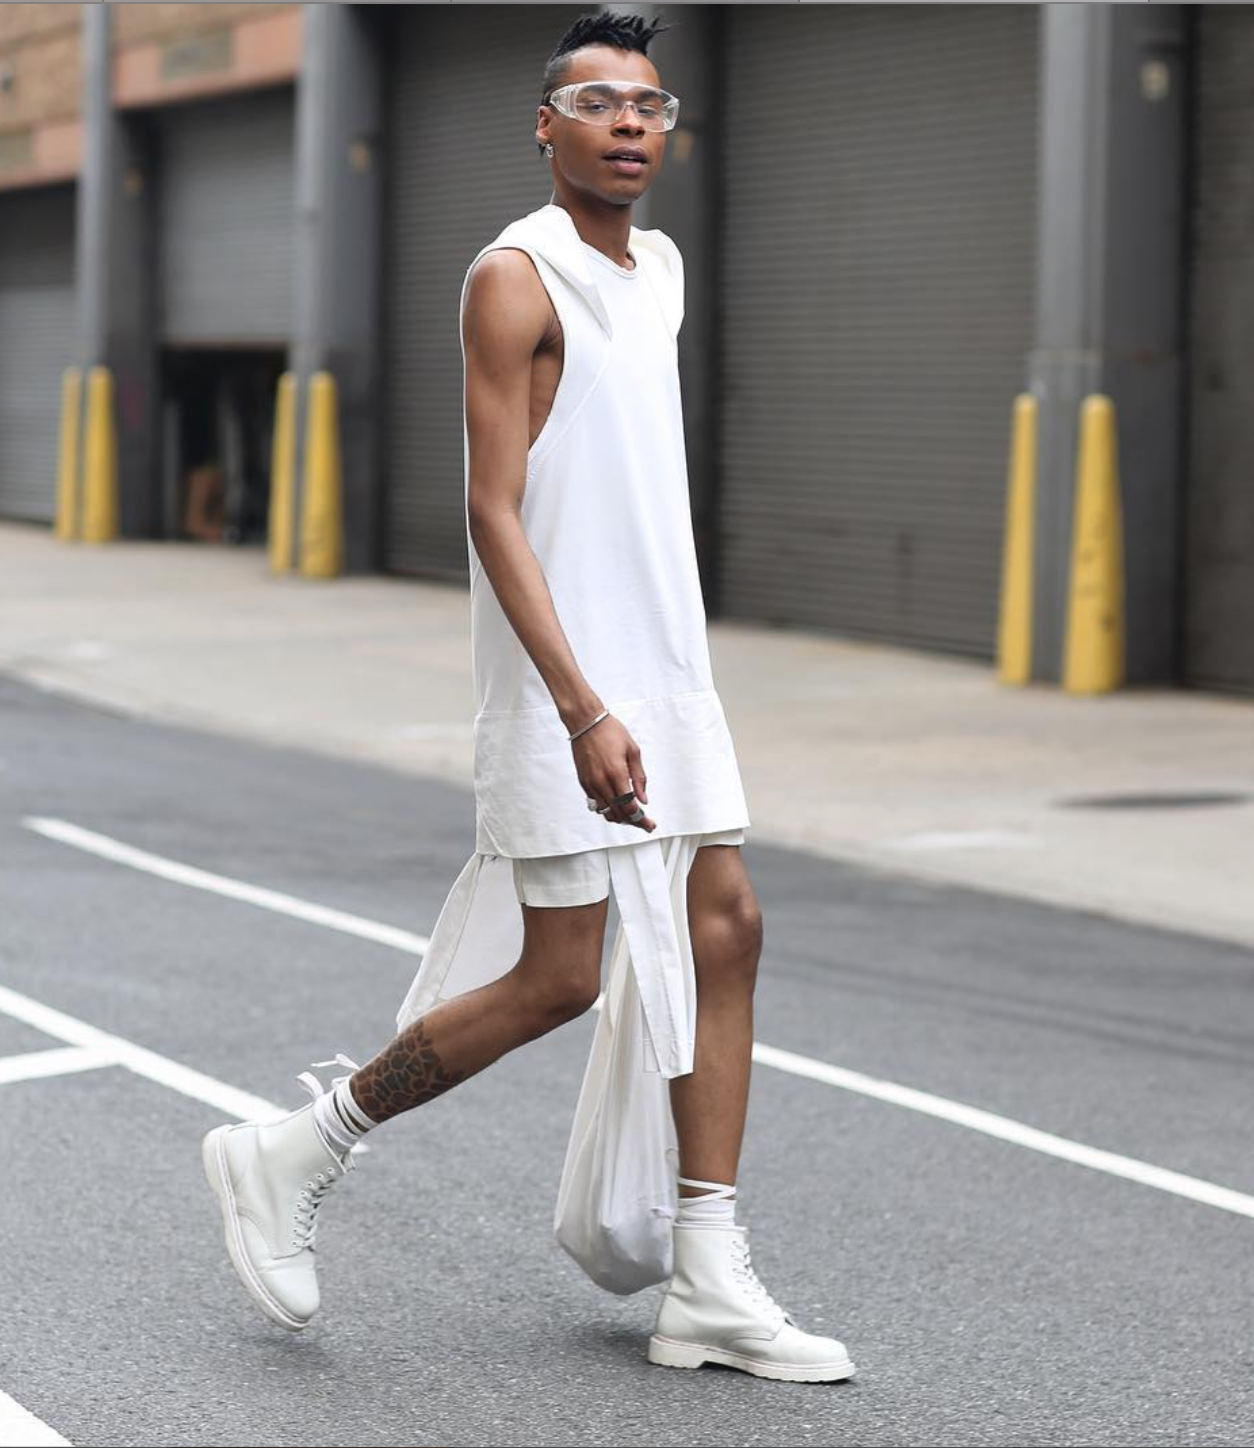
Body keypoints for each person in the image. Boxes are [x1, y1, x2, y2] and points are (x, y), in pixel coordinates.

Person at [202, 9, 856, 1385]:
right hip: (567, 680)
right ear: (545, 128)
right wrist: (577, 706)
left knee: (724, 925)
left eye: (649, 104)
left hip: (664, 669)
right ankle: (291, 1152)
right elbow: (494, 512)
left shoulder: (659, 269)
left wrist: (645, 686)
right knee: (560, 976)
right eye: (597, 101)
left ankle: (708, 1276)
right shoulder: (515, 277)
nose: (629, 123)